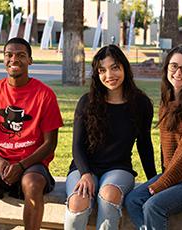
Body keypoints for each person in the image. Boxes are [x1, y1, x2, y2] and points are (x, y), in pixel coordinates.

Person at [0, 37, 63, 230]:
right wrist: (1, 162)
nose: (14, 59)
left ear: (30, 60)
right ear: (3, 59)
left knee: (33, 183)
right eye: (9, 55)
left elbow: (50, 144)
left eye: (21, 55)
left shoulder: (44, 94)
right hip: (0, 162)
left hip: (32, 164)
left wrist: (21, 165)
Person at [64, 44, 157, 230]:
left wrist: (153, 181)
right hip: (84, 167)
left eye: (114, 67)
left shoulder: (141, 103)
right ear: (97, 74)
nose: (109, 75)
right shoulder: (86, 102)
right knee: (78, 201)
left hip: (119, 168)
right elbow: (77, 146)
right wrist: (85, 174)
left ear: (124, 67)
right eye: (102, 70)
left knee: (109, 195)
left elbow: (145, 145)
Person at [125, 45, 182, 230]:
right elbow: (165, 147)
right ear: (166, 68)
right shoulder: (167, 99)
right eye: (174, 66)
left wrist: (162, 184)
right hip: (174, 176)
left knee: (153, 206)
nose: (178, 72)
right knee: (133, 199)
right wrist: (163, 177)